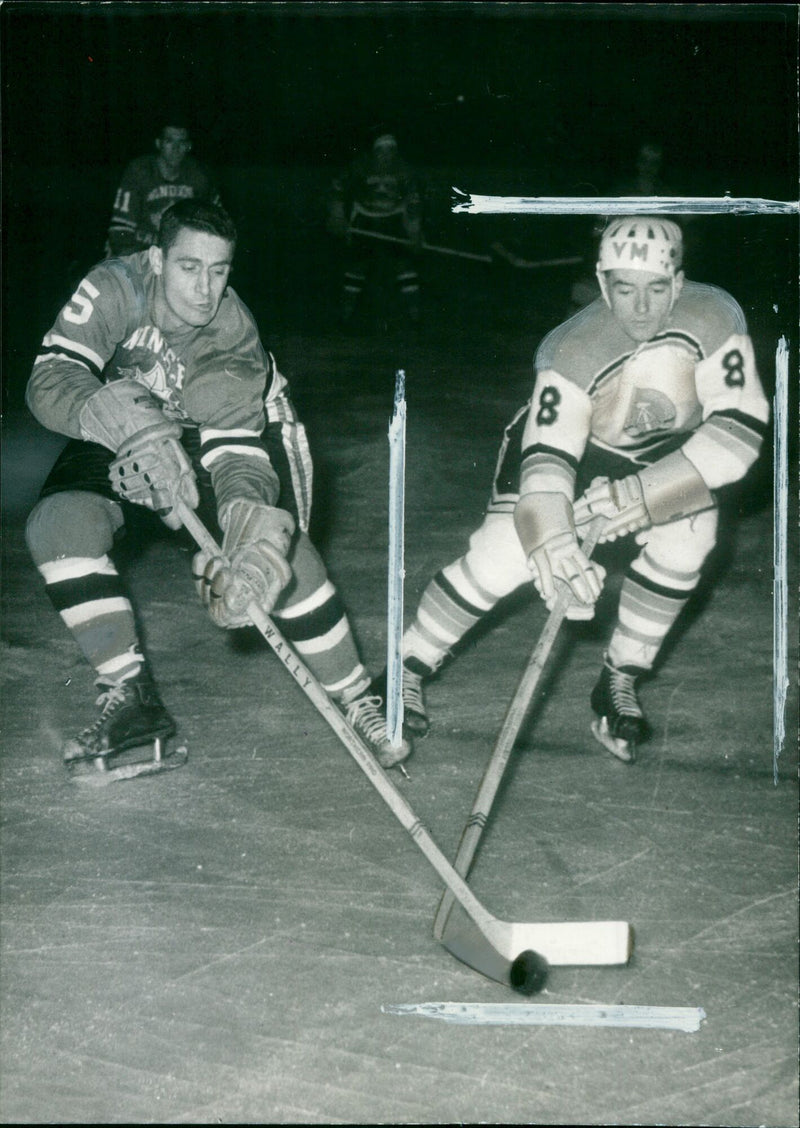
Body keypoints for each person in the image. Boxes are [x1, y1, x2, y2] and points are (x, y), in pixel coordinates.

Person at [25, 200, 411, 777]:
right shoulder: (113, 286)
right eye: (189, 267)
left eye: (220, 270)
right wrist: (122, 421)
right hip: (129, 422)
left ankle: (356, 694)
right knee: (59, 525)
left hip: (237, 433)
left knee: (281, 555)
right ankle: (129, 693)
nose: (205, 289)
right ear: (155, 258)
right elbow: (50, 376)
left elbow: (235, 456)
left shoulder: (231, 335)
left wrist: (246, 533)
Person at [390, 217, 769, 763]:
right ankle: (406, 664)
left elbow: (736, 434)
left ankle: (620, 677)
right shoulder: (572, 349)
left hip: (659, 453)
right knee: (505, 557)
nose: (640, 308)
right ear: (600, 278)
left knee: (691, 538)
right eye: (624, 288)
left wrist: (642, 494)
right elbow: (547, 461)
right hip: (575, 450)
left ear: (680, 284)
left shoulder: (715, 318)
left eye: (657, 289)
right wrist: (554, 545)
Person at [327, 131, 424, 326]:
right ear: (374, 151)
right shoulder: (360, 167)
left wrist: (414, 231)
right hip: (364, 218)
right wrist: (337, 216)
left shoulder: (404, 171)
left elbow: (413, 202)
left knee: (403, 265)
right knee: (357, 265)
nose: (386, 155)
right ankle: (345, 314)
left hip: (394, 218)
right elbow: (338, 189)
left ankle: (415, 316)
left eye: (391, 150)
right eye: (382, 150)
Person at [104, 122, 221, 257]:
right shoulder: (139, 172)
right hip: (141, 250)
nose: (176, 148)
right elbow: (121, 228)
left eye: (182, 142)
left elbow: (216, 224)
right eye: (169, 141)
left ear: (189, 146)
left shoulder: (199, 175)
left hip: (181, 254)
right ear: (158, 143)